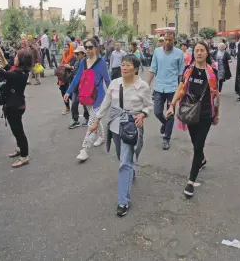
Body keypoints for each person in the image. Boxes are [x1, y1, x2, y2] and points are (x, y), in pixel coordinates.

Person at [89, 54, 153, 217]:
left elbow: (148, 105)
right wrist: (96, 120)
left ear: (136, 69)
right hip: (115, 126)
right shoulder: (115, 84)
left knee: (124, 162)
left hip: (132, 126)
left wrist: (143, 114)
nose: (123, 67)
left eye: (128, 65)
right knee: (121, 156)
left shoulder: (143, 86)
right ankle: (131, 170)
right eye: (123, 65)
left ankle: (123, 201)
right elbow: (106, 103)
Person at [166, 41, 220, 198]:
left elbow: (216, 95)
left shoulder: (212, 72)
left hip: (205, 114)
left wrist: (217, 113)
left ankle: (191, 181)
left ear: (207, 53)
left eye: (202, 50)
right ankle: (201, 159)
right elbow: (181, 88)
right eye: (197, 50)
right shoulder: (188, 71)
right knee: (195, 142)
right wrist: (172, 105)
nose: (199, 53)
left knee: (197, 146)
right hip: (189, 113)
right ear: (193, 53)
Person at [64, 38, 111, 161]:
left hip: (98, 98)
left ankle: (84, 149)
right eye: (87, 47)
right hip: (86, 96)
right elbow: (77, 78)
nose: (88, 50)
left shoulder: (101, 63)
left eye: (91, 47)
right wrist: (68, 91)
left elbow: (107, 80)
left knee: (91, 122)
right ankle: (101, 137)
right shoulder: (83, 62)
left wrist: (113, 95)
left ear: (96, 48)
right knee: (95, 118)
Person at [0, 47, 32, 168]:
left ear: (21, 60)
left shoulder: (18, 75)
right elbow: (7, 68)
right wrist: (0, 55)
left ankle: (24, 156)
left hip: (15, 107)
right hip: (14, 105)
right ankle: (20, 148)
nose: (14, 58)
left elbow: (0, 72)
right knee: (16, 131)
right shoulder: (18, 71)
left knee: (18, 132)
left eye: (16, 56)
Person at [147, 31, 184, 150]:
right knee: (157, 112)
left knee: (170, 114)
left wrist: (181, 89)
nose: (167, 42)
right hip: (158, 88)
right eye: (166, 39)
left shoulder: (179, 53)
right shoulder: (157, 52)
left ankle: (166, 138)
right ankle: (165, 124)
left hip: (172, 88)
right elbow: (153, 69)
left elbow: (180, 73)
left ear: (174, 40)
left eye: (170, 40)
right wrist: (147, 84)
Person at [69, 46, 90, 128]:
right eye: (76, 54)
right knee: (74, 104)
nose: (76, 55)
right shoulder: (77, 62)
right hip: (76, 87)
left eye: (78, 54)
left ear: (83, 54)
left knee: (85, 104)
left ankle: (87, 118)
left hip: (84, 87)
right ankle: (75, 120)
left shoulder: (88, 63)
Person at [59, 43, 76, 115]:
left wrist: (69, 67)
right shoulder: (64, 56)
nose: (65, 49)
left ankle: (75, 105)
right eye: (64, 47)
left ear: (70, 48)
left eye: (66, 47)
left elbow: (76, 67)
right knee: (63, 92)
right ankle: (67, 107)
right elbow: (61, 63)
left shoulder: (74, 57)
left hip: (70, 77)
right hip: (62, 77)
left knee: (69, 93)